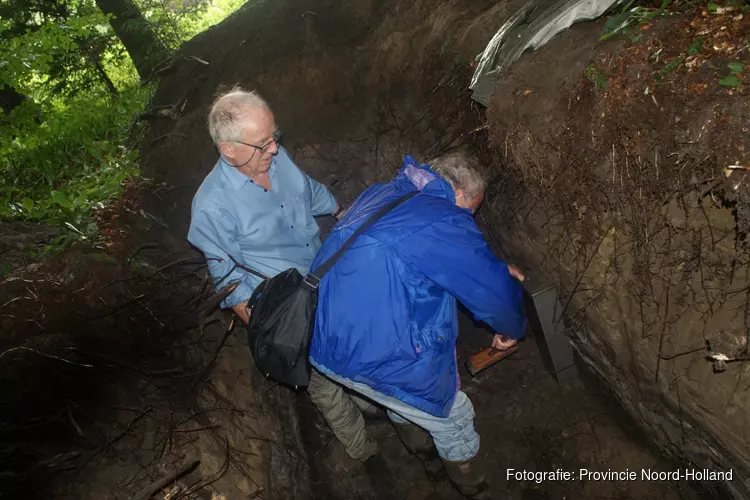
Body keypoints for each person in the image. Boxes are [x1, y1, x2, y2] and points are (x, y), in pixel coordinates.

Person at [309, 152, 527, 499]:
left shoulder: (383, 193)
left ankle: (427, 463)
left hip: (325, 336)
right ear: (458, 194)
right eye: (471, 210)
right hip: (373, 353)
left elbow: (417, 254)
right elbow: (491, 292)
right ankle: (475, 488)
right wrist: (511, 327)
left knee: (401, 401)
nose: (470, 218)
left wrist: (494, 272)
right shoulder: (441, 219)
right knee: (450, 416)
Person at [187, 86, 379, 461]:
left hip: (327, 275)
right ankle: (362, 450)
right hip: (292, 306)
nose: (273, 149)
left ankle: (370, 400)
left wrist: (343, 213)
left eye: (275, 137)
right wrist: (276, 337)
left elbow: (307, 189)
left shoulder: (275, 157)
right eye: (263, 144)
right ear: (229, 149)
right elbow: (231, 286)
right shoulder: (212, 208)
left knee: (351, 345)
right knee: (322, 380)